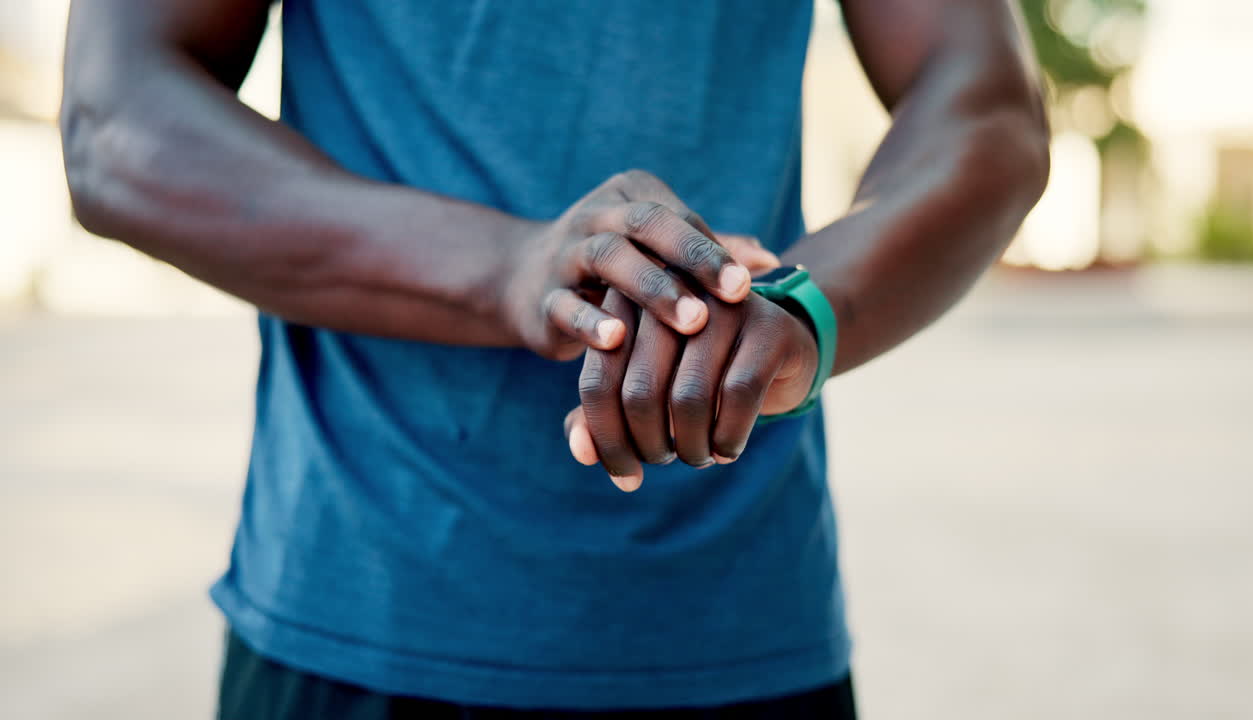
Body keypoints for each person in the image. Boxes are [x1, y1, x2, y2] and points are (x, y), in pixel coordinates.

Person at [60, 0, 1048, 717]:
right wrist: (507, 270)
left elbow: (986, 106)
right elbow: (117, 117)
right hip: (357, 627)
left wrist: (796, 307)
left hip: (741, 637)